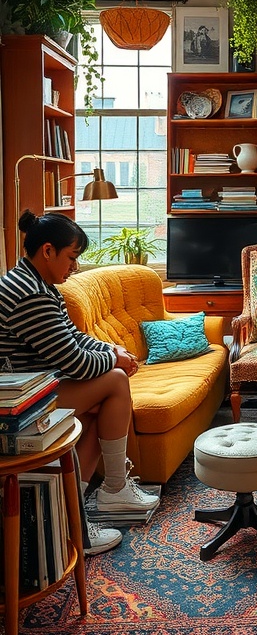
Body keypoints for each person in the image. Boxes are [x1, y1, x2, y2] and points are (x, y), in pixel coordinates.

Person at [0, 211, 158, 556]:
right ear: (47, 250)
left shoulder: (34, 283)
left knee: (98, 410)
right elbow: (74, 362)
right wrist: (115, 360)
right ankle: (113, 490)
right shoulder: (31, 295)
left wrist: (111, 348)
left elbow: (74, 338)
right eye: (71, 257)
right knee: (115, 381)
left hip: (35, 389)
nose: (74, 267)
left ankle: (72, 519)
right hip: (21, 402)